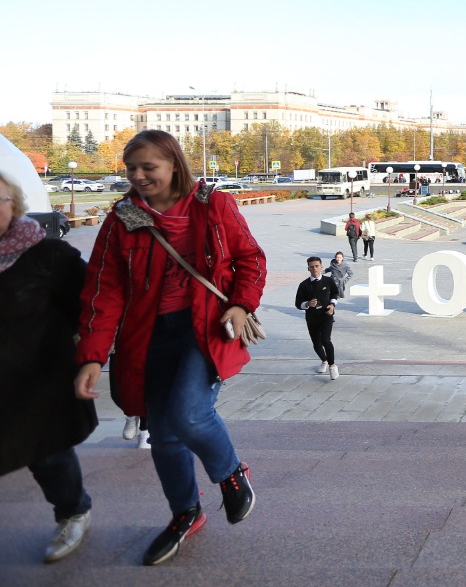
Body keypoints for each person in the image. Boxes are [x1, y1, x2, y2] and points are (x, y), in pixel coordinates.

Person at [73, 130, 265, 567]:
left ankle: (231, 472)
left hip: (203, 328)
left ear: (174, 165)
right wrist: (92, 355)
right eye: (131, 169)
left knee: (190, 414)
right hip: (148, 336)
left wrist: (240, 304)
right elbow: (103, 292)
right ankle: (185, 512)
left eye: (149, 167)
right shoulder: (122, 219)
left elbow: (251, 259)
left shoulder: (214, 206)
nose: (138, 176)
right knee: (162, 436)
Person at [0, 172, 97, 563]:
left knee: (47, 454)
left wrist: (87, 357)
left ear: (14, 206)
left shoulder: (48, 255)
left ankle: (74, 512)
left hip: (37, 378)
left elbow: (90, 305)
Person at [296, 256, 340, 380]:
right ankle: (324, 361)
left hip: (326, 316)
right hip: (312, 318)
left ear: (321, 267)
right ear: (308, 268)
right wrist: (307, 304)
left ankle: (332, 366)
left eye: (316, 266)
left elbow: (335, 294)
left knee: (326, 340)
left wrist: (332, 305)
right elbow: (298, 303)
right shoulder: (304, 285)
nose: (314, 268)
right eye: (312, 267)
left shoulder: (328, 281)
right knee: (316, 344)